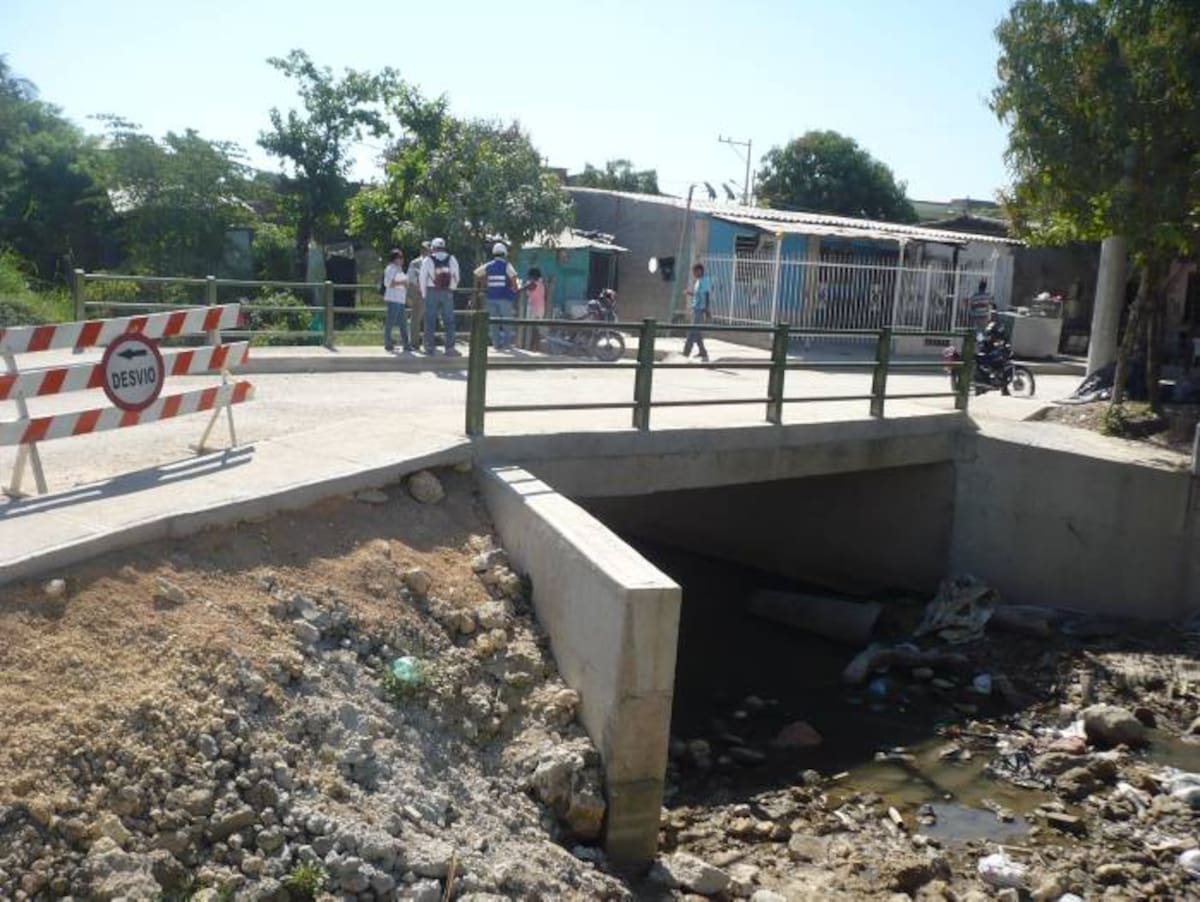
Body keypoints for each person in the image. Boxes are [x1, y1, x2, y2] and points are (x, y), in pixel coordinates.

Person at [419, 237, 461, 355]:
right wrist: (451, 289)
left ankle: (429, 347)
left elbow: (422, 278)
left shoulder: (428, 260)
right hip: (447, 292)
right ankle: (450, 348)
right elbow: (456, 277)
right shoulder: (452, 259)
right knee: (449, 320)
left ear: (433, 247)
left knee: (430, 320)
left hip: (431, 291)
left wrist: (424, 294)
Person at [474, 242, 519, 350]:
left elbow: (476, 274)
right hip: (504, 298)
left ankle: (496, 344)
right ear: (504, 254)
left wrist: (482, 285)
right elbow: (513, 279)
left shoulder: (488, 265)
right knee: (507, 321)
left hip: (490, 298)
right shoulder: (507, 265)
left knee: (493, 322)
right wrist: (515, 289)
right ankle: (507, 344)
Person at [382, 248, 412, 352]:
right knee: (390, 322)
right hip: (393, 299)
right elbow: (387, 283)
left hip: (400, 300)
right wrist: (402, 283)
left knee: (403, 323)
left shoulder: (399, 269)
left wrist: (406, 284)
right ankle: (388, 343)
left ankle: (406, 344)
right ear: (394, 258)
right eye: (400, 257)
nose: (402, 259)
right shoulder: (390, 268)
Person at [682, 262, 711, 362]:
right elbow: (697, 294)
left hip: (700, 309)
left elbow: (707, 294)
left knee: (692, 331)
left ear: (699, 271)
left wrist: (707, 309)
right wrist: (689, 293)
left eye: (694, 272)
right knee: (697, 332)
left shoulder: (705, 280)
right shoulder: (698, 281)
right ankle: (702, 351)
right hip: (696, 309)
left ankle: (685, 353)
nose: (693, 274)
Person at [406, 240, 430, 349]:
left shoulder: (434, 262)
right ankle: (414, 343)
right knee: (415, 319)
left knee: (430, 319)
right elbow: (410, 279)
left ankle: (428, 343)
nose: (427, 251)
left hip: (431, 294)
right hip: (418, 294)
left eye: (429, 249)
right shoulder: (414, 263)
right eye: (424, 249)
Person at [524, 267, 546, 350]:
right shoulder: (541, 283)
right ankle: (535, 346)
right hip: (539, 307)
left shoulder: (533, 284)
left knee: (534, 328)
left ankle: (533, 346)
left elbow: (523, 289)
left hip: (535, 308)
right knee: (535, 328)